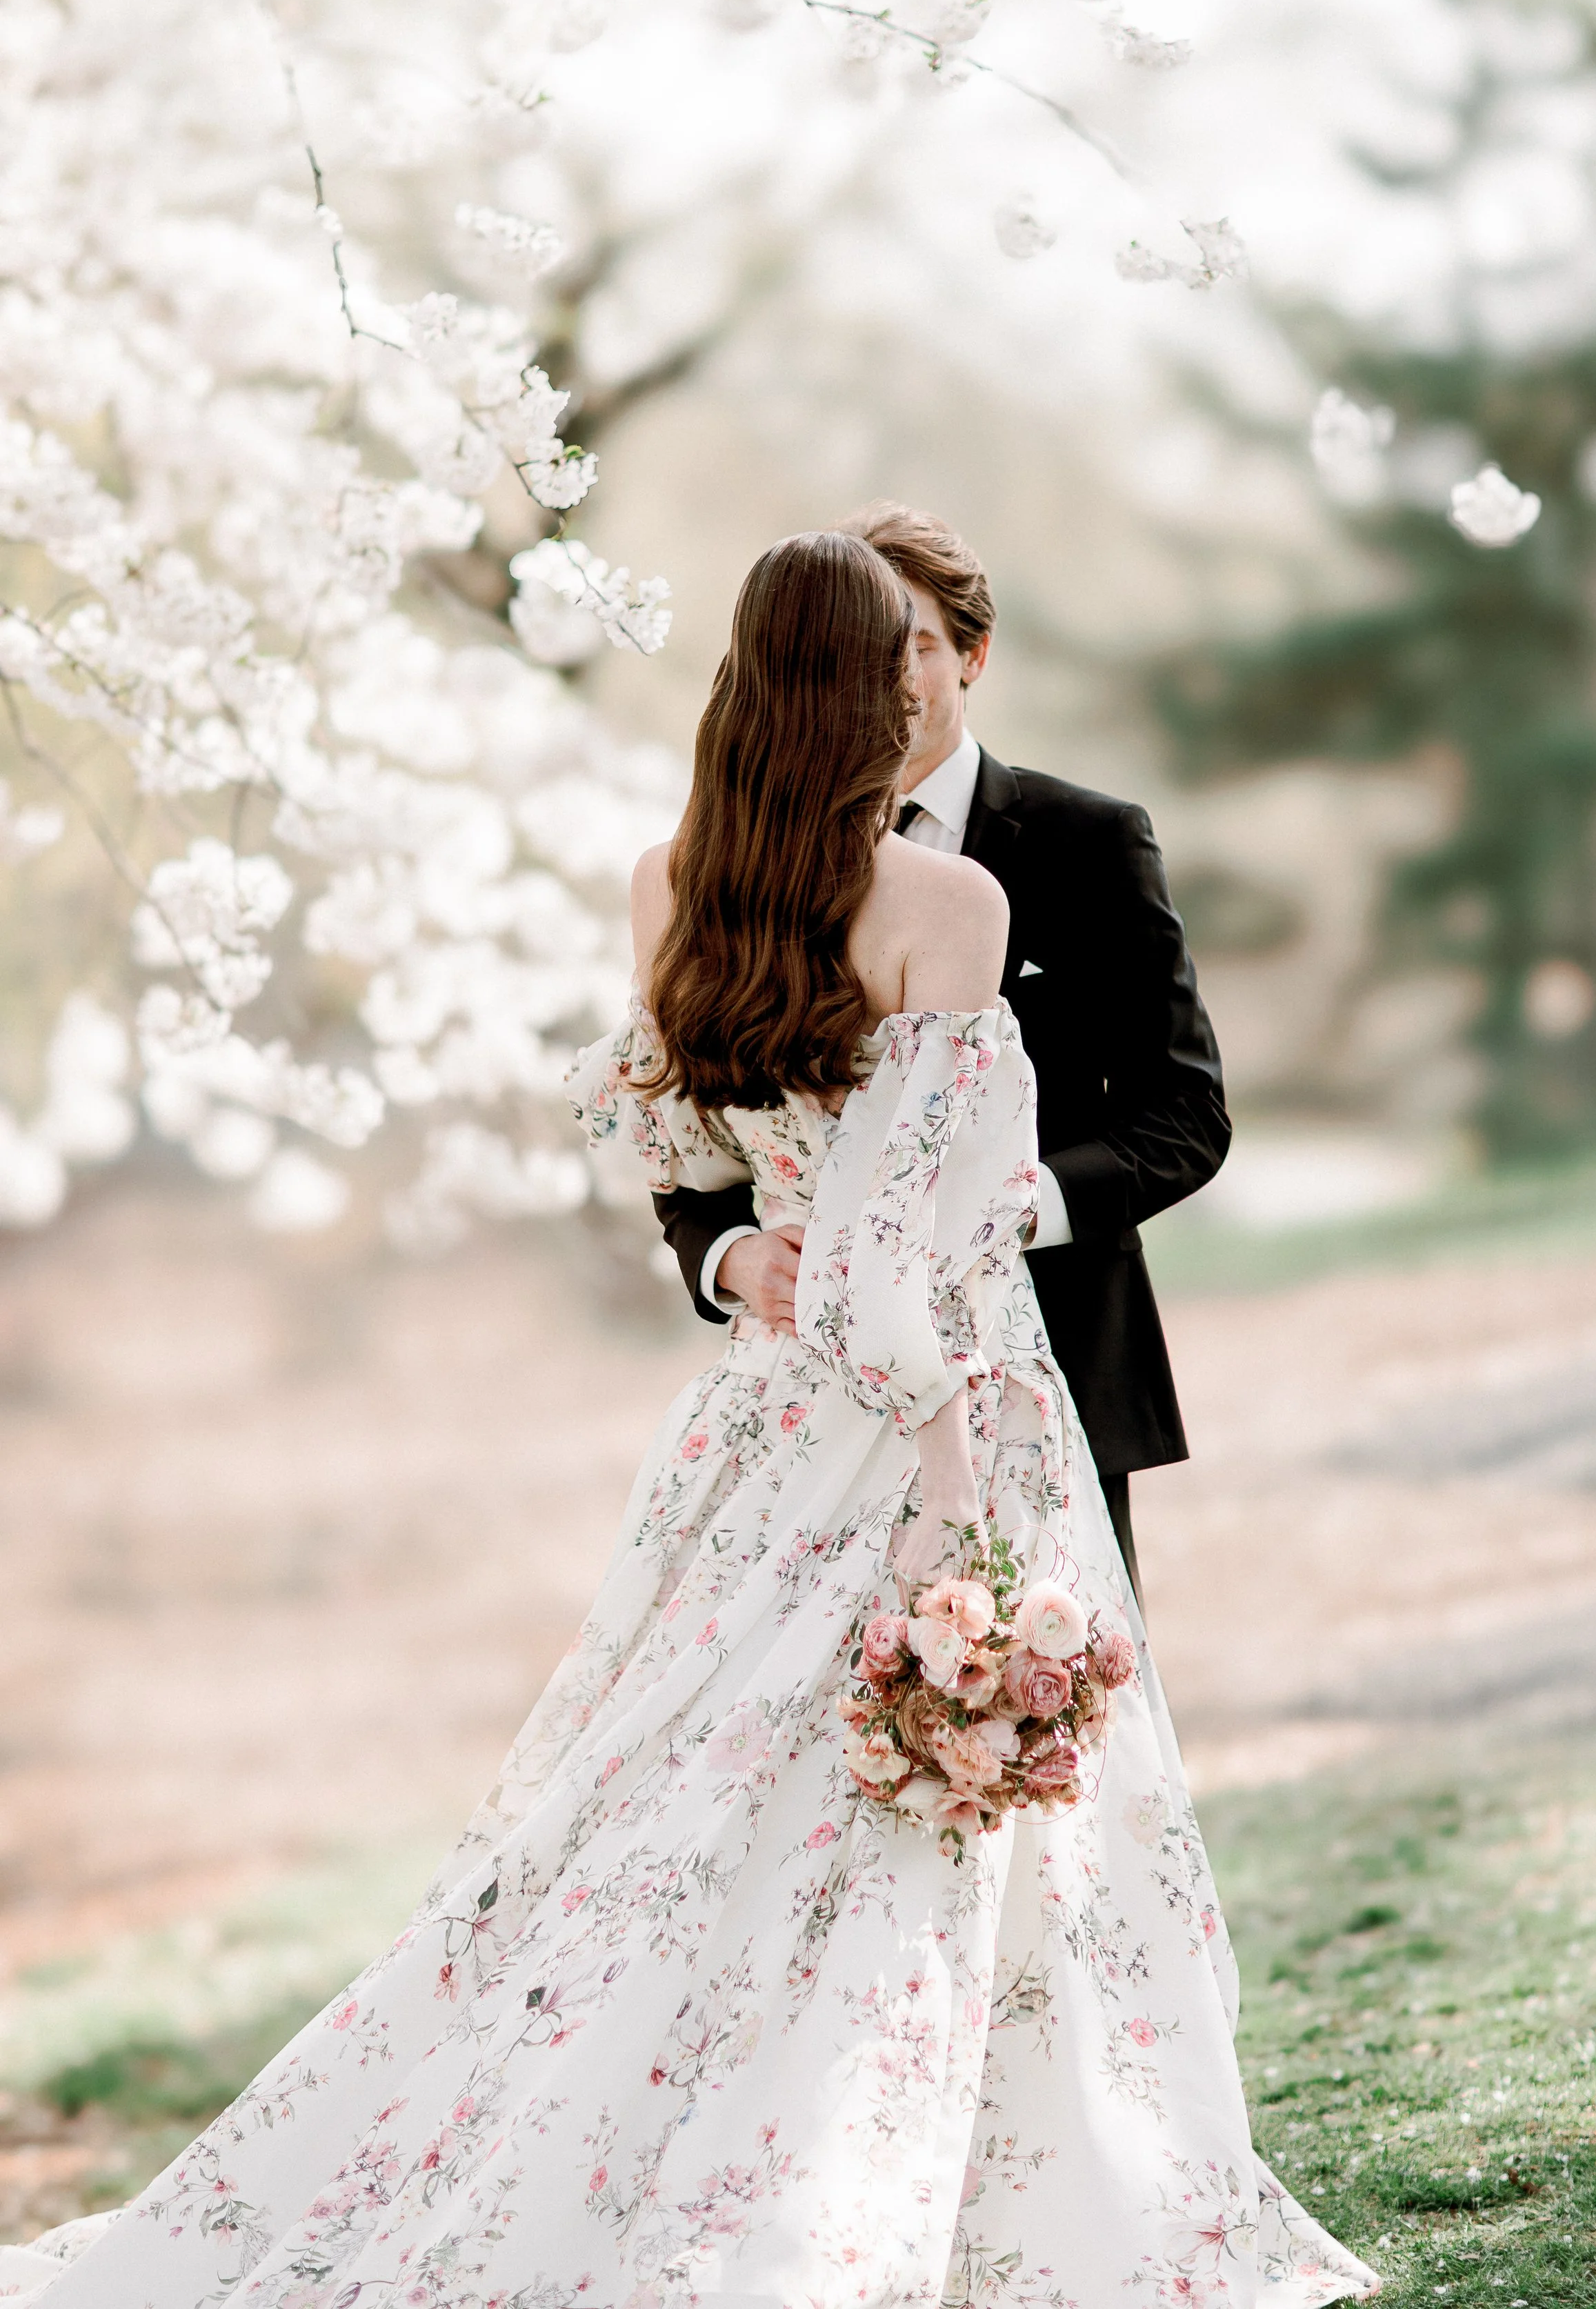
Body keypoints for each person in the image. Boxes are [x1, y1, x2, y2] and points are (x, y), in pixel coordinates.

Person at [0, 533, 1374, 2309]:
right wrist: (934, 1483)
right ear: (888, 681)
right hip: (936, 1405)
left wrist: (779, 1273)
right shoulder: (946, 914)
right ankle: (859, 2174)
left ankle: (843, 2145)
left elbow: (682, 1140)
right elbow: (849, 1262)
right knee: (939, 1791)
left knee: (694, 1794)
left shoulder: (669, 888)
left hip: (760, 1437)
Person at [653, 503, 1230, 1603]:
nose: (889, 676)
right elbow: (691, 1124)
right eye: (857, 648)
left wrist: (1006, 1205)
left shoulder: (1090, 843)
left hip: (1048, 1354)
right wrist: (727, 1257)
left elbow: (1187, 1115)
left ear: (972, 653)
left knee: (1047, 1714)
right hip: (811, 1386)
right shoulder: (737, 874)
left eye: (913, 641)